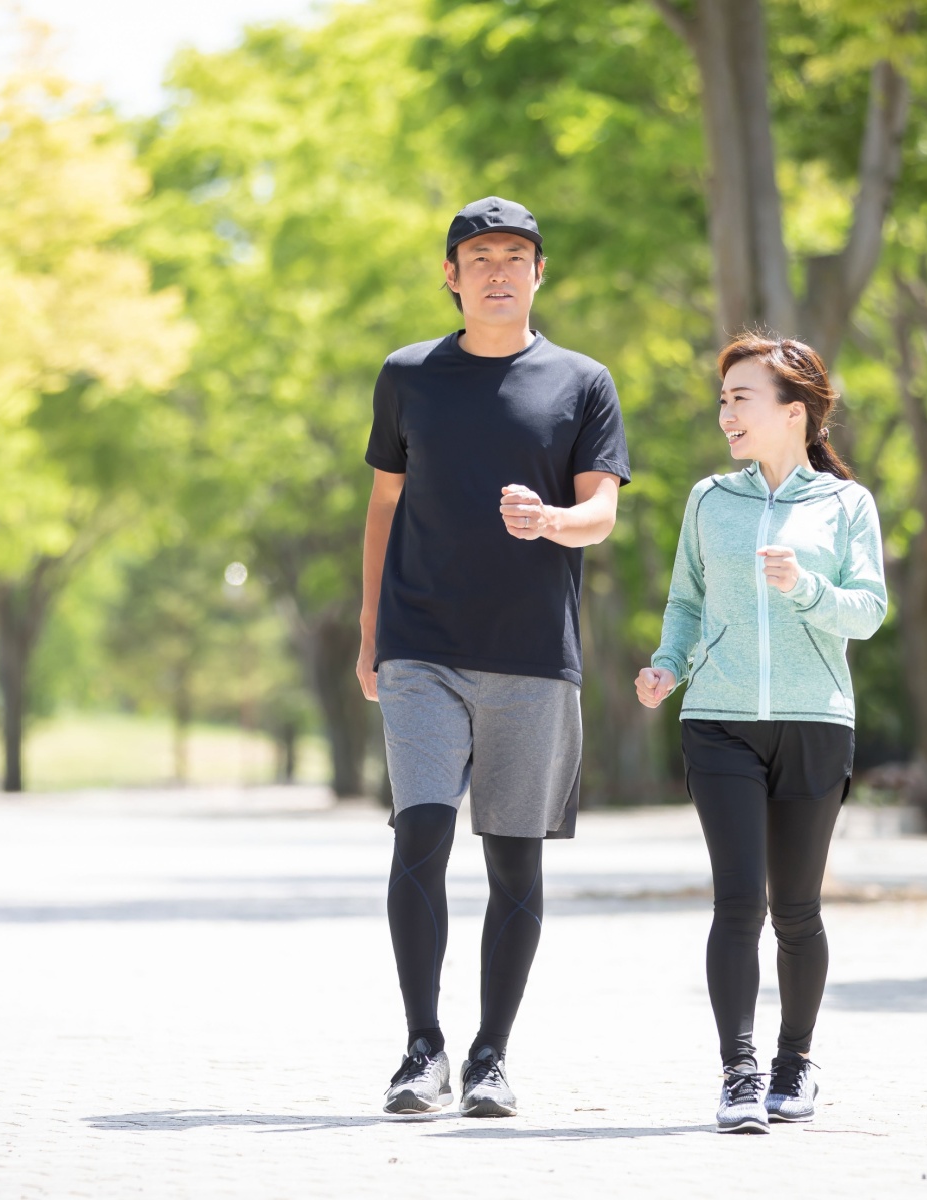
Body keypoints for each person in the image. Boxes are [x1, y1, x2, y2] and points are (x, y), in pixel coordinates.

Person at [358, 197, 631, 1118]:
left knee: (515, 862)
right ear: (452, 274)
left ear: (539, 273)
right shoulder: (408, 377)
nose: (499, 270)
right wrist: (371, 633)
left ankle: (489, 1056)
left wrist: (552, 521)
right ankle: (420, 1049)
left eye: (517, 255)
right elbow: (384, 508)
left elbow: (602, 510)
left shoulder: (582, 382)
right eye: (480, 256)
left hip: (530, 653)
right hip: (421, 646)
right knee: (422, 834)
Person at [635, 334, 887, 1134]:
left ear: (795, 413)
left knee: (798, 911)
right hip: (719, 722)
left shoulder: (847, 506)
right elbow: (685, 601)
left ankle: (794, 1064)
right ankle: (739, 1075)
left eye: (741, 398)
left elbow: (869, 611)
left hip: (816, 722)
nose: (726, 413)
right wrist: (666, 665)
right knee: (737, 901)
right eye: (723, 399)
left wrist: (807, 588)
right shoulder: (711, 499)